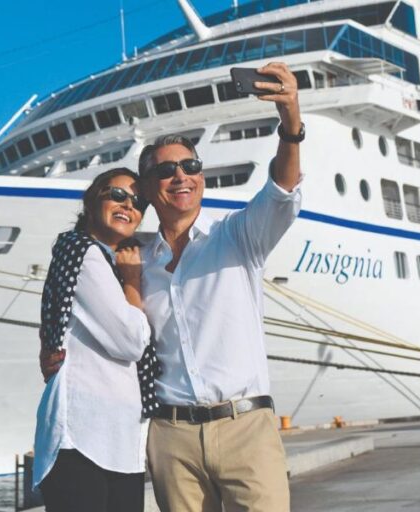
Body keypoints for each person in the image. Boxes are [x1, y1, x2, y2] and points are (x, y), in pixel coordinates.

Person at [137, 61, 303, 512]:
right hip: (172, 436)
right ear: (149, 188)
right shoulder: (137, 262)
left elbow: (282, 189)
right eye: (168, 171)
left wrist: (290, 122)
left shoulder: (238, 235)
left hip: (244, 425)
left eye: (190, 165)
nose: (181, 176)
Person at [32, 168, 160, 512]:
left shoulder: (98, 258)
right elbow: (130, 342)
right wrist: (133, 280)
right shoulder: (85, 254)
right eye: (116, 195)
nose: (128, 205)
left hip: (113, 439)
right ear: (91, 203)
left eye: (138, 201)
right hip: (85, 437)